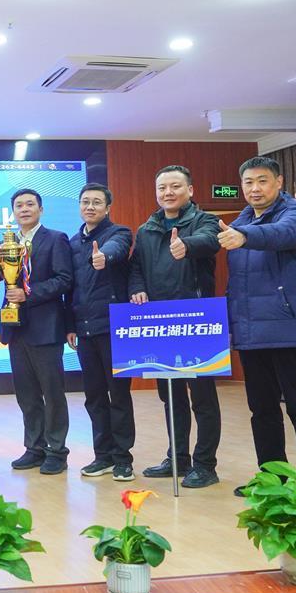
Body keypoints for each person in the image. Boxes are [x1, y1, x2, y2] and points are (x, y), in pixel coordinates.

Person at [219, 156, 296, 495]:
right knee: (262, 410)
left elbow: (283, 234)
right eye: (248, 182)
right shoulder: (240, 221)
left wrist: (244, 236)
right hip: (251, 333)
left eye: (262, 181)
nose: (255, 188)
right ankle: (272, 479)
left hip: (288, 329)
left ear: (279, 182)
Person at [128, 165, 222, 489]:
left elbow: (210, 241)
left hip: (197, 320)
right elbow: (136, 268)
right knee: (171, 395)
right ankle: (179, 458)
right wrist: (136, 289)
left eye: (175, 186)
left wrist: (187, 246)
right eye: (162, 188)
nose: (168, 192)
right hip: (160, 322)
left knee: (203, 397)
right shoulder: (146, 229)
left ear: (190, 190)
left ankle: (206, 465)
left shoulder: (204, 220)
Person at [0, 188, 74, 475]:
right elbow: (4, 280)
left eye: (30, 204)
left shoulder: (55, 238)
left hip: (45, 327)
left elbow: (64, 279)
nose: (25, 209)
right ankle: (34, 447)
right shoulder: (6, 244)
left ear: (41, 209)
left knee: (52, 393)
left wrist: (29, 294)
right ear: (13, 212)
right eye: (19, 205)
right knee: (26, 394)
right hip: (15, 328)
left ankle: (57, 450)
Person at [64, 184, 136, 482]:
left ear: (107, 207)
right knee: (93, 396)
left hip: (113, 326)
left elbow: (117, 249)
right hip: (84, 328)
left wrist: (103, 256)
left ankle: (123, 459)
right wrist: (70, 325)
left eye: (96, 202)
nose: (90, 207)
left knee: (118, 394)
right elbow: (70, 288)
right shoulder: (72, 243)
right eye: (85, 202)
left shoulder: (119, 233)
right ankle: (102, 456)